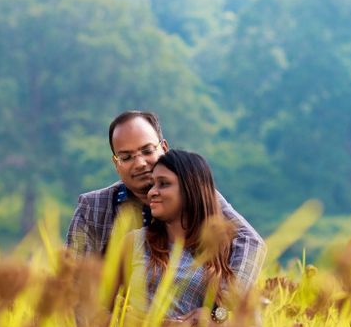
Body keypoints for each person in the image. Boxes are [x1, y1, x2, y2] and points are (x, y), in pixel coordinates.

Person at [65, 110, 266, 298]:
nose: (140, 163)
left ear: (164, 148)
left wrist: (221, 309)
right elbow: (71, 281)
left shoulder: (195, 194)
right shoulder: (92, 208)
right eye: (126, 157)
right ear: (116, 164)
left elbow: (250, 241)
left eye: (147, 150)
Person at [123, 149, 239, 322]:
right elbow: (102, 309)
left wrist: (213, 318)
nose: (152, 192)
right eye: (153, 184)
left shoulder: (222, 249)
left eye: (163, 184)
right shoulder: (135, 241)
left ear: (190, 189)